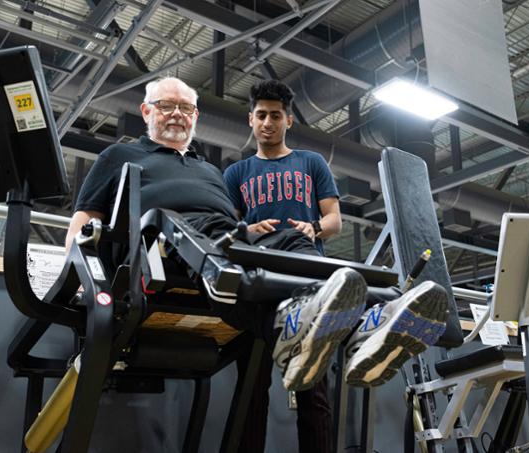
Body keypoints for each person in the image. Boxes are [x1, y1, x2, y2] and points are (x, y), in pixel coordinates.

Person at [65, 76, 449, 441]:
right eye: (166, 106)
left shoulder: (208, 169)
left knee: (292, 242)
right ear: (147, 112)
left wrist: (255, 232)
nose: (177, 114)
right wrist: (80, 276)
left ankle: (367, 323)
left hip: (230, 237)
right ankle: (296, 324)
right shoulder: (121, 155)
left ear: (196, 117)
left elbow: (238, 223)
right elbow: (84, 220)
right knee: (228, 264)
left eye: (185, 108)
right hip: (172, 237)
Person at [223, 79, 342, 452]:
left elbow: (335, 219)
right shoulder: (236, 173)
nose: (268, 122)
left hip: (303, 277)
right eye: (261, 115)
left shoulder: (310, 163)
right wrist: (247, 229)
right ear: (250, 120)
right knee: (252, 389)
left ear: (288, 120)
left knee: (313, 387)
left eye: (276, 115)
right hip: (259, 280)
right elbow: (226, 228)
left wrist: (315, 227)